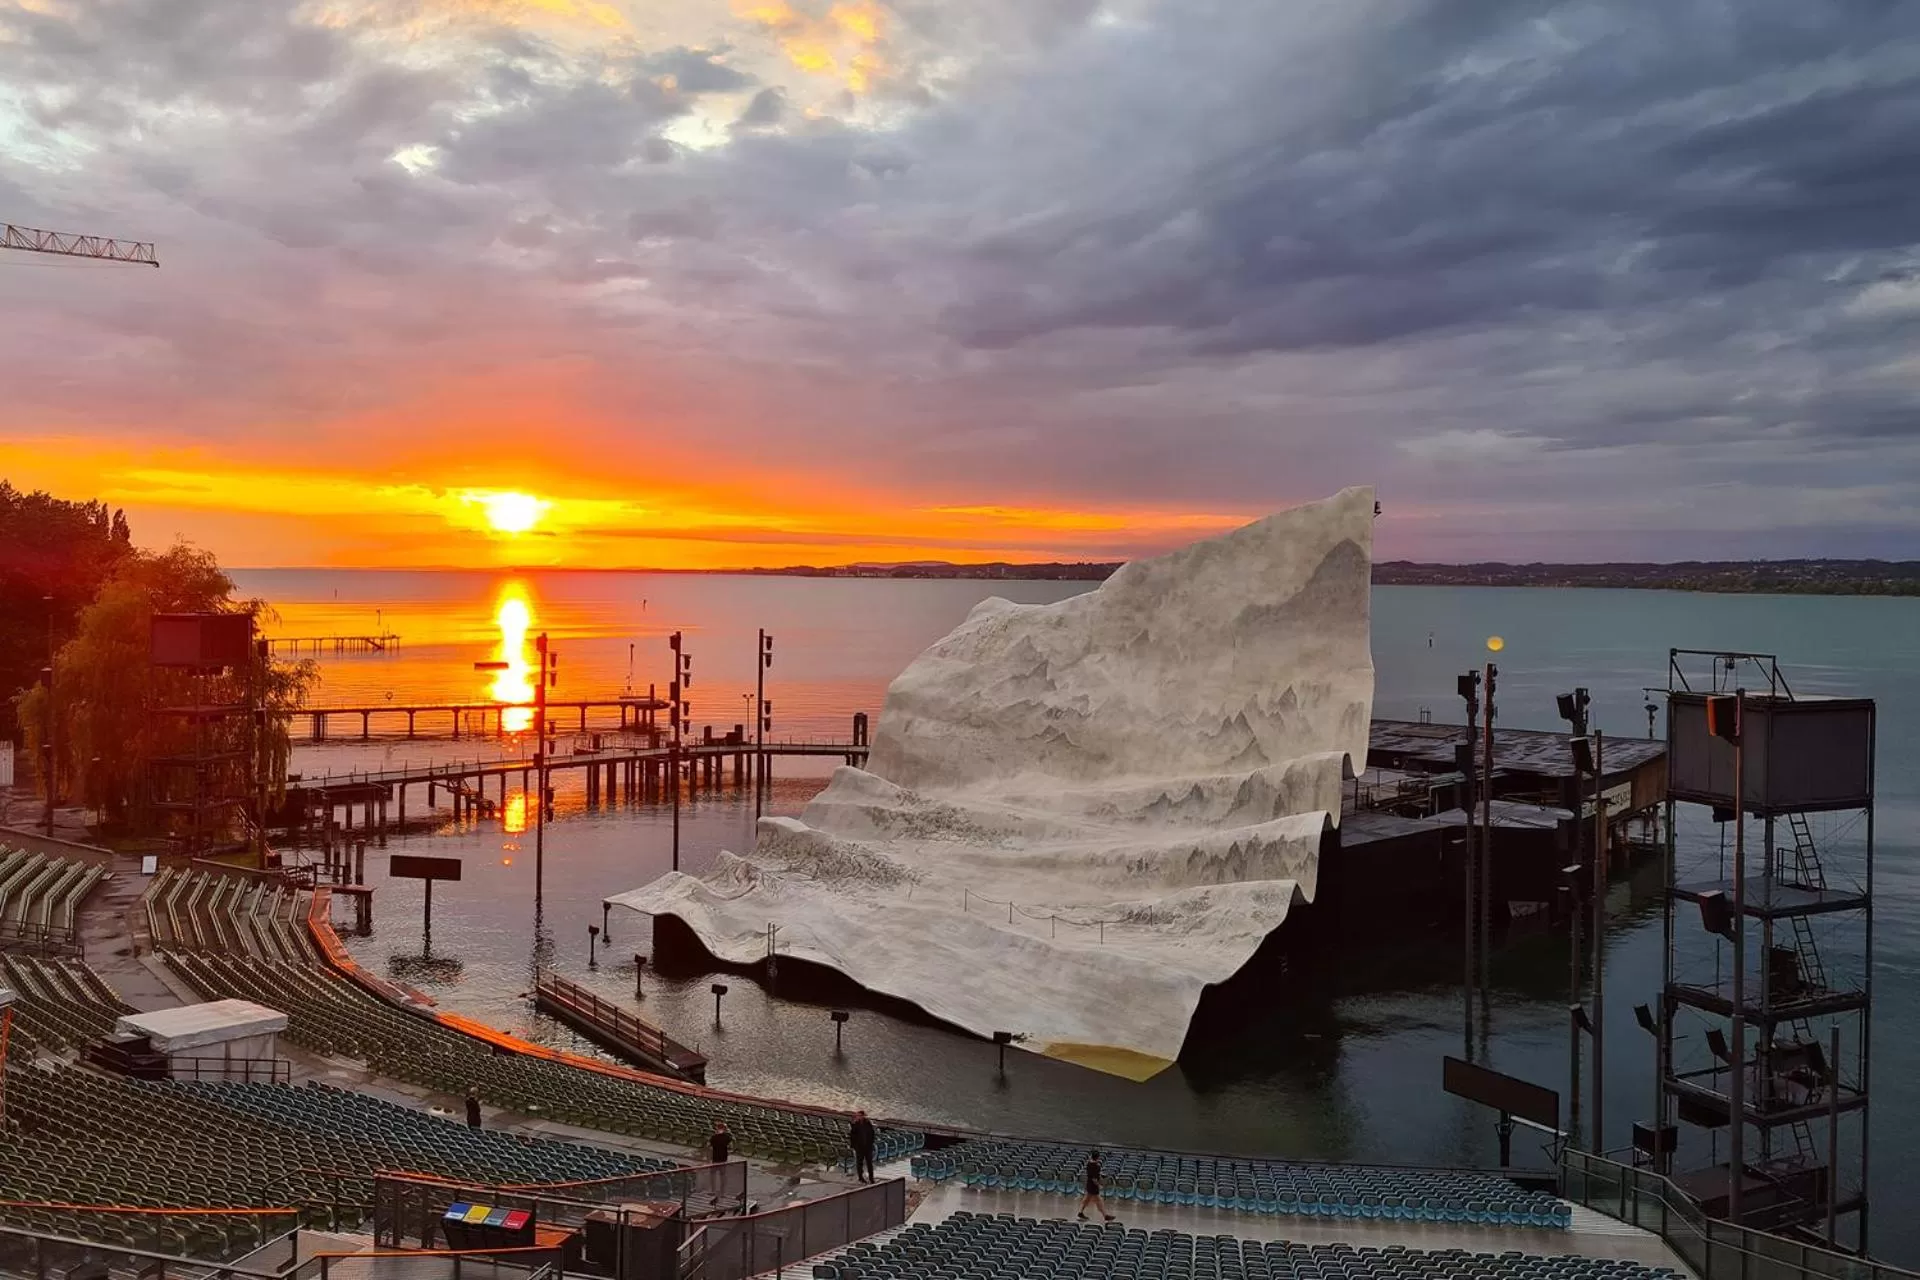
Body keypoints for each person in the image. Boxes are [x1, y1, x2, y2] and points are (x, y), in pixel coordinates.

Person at [1077, 1151, 1115, 1222]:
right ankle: (1105, 1215)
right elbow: (1094, 1178)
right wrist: (1099, 1185)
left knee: (1086, 1200)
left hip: (1089, 1184)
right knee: (1099, 1201)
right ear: (1098, 1157)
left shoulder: (1088, 1164)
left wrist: (1100, 1175)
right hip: (1093, 1186)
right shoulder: (1097, 1166)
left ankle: (1080, 1212)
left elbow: (1092, 1174)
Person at [849, 1109, 876, 1183]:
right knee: (859, 1163)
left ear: (863, 1116)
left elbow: (872, 1134)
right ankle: (860, 1177)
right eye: (857, 1116)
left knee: (869, 1163)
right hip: (859, 1147)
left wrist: (871, 1143)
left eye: (860, 1116)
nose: (858, 1117)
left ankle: (871, 1178)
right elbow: (852, 1136)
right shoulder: (855, 1125)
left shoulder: (868, 1123)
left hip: (868, 1147)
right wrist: (854, 1146)